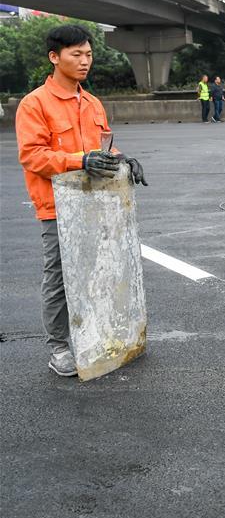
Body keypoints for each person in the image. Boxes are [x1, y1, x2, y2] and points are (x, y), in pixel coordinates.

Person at [15, 24, 147, 377]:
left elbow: (103, 148)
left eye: (88, 54)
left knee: (102, 269)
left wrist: (123, 160)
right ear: (55, 57)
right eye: (76, 54)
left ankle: (103, 334)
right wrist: (79, 159)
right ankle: (58, 347)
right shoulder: (34, 104)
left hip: (98, 204)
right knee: (59, 276)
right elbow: (33, 156)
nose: (85, 60)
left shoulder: (91, 102)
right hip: (57, 207)